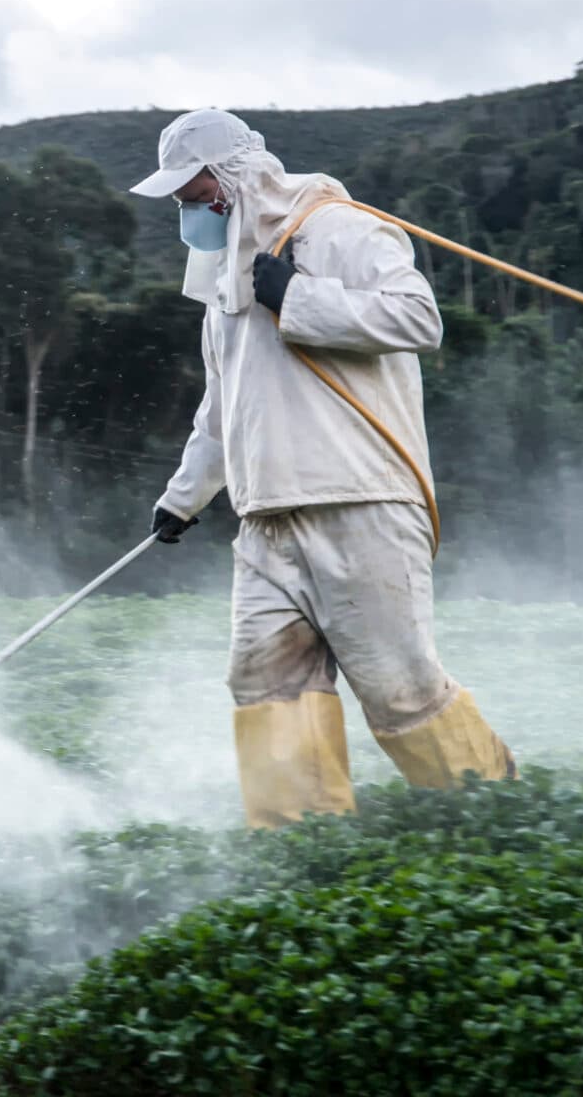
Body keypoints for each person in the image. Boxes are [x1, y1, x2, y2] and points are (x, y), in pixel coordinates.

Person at [128, 108, 514, 830]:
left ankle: (490, 816)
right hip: (266, 518)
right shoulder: (223, 289)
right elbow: (224, 410)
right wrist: (182, 499)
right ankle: (303, 841)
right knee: (265, 681)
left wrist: (297, 297)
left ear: (236, 175)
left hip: (360, 500)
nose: (186, 204)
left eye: (193, 185)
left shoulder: (341, 228)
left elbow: (418, 320)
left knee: (400, 690)